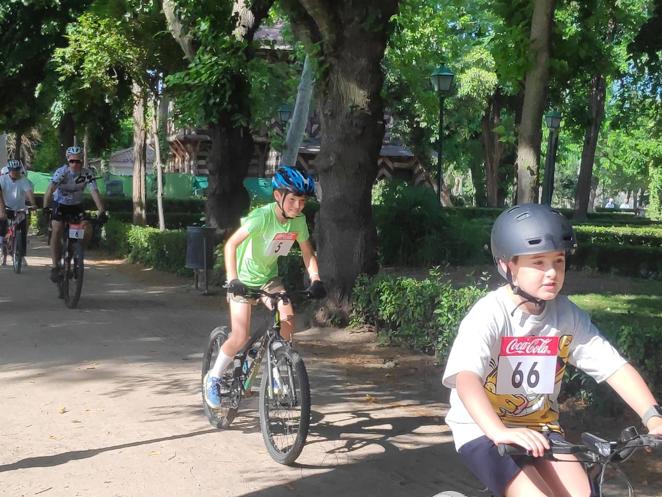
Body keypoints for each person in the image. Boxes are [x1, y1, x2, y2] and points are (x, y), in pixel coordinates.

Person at [442, 203, 662, 497]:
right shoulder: (490, 314)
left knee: (584, 494)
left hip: (540, 427)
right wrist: (499, 432)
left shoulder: (567, 316)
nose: (551, 273)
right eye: (538, 262)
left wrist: (653, 416)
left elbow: (613, 366)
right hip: (483, 429)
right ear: (508, 266)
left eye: (558, 261)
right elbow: (465, 378)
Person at [204, 165, 326, 409]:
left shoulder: (298, 221)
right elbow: (231, 246)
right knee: (239, 335)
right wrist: (233, 280)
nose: (298, 206)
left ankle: (276, 370)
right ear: (278, 196)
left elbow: (307, 253)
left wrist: (316, 279)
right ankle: (214, 378)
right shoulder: (262, 217)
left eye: (302, 201)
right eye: (293, 200)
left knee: (288, 319)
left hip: (269, 278)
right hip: (243, 279)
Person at [43, 146, 106, 282]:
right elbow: (50, 190)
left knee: (87, 228)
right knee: (57, 229)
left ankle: (78, 253)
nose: (75, 164)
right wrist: (45, 207)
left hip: (76, 206)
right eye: (72, 161)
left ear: (82, 162)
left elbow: (94, 192)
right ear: (68, 161)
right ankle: (55, 266)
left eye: (78, 161)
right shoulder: (61, 172)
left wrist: (101, 210)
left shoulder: (87, 173)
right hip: (60, 204)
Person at [0, 160, 37, 263]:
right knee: (2, 228)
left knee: (22, 230)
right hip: (5, 207)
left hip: (20, 209)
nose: (15, 172)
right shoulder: (3, 179)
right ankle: (2, 251)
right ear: (9, 170)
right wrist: (2, 210)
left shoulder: (23, 180)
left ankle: (20, 255)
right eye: (13, 170)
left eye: (17, 170)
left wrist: (33, 204)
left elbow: (29, 192)